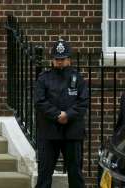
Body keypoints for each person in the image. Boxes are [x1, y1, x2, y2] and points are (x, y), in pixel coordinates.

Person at [34, 39, 89, 188]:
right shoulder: (43, 79)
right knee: (44, 175)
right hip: (49, 132)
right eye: (57, 59)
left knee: (75, 174)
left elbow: (83, 102)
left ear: (69, 59)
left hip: (72, 132)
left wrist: (68, 115)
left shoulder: (78, 79)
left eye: (62, 59)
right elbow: (39, 102)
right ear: (52, 60)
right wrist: (58, 115)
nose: (59, 62)